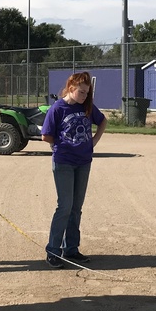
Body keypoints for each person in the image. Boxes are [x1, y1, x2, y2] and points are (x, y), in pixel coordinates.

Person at [41, 71, 106, 268]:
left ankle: (71, 249)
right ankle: (53, 250)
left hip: (84, 162)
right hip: (64, 162)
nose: (84, 96)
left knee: (76, 208)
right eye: (81, 92)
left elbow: (102, 121)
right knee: (65, 206)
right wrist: (61, 146)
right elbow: (46, 135)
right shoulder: (57, 108)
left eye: (87, 93)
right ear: (71, 89)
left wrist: (93, 141)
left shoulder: (86, 106)